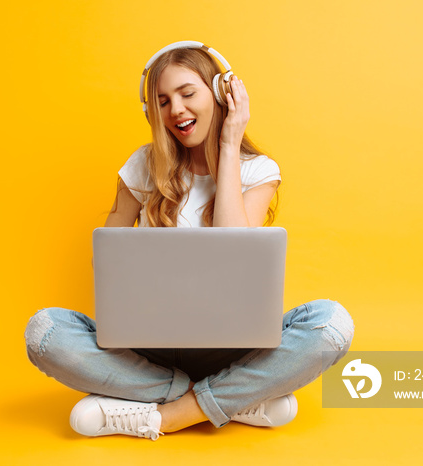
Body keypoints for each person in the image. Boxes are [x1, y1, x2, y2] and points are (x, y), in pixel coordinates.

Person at [24, 42, 354, 441]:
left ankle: (164, 416)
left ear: (219, 94)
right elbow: (106, 260)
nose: (175, 109)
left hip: (232, 348)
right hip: (149, 348)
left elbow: (234, 253)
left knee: (331, 324)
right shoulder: (143, 167)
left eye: (187, 93)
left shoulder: (258, 171)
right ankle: (232, 399)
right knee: (44, 331)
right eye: (162, 101)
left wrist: (229, 144)